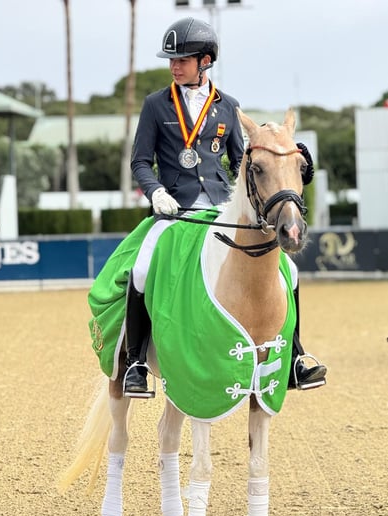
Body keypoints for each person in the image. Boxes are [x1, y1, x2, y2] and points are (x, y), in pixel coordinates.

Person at [123, 16, 326, 397]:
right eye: (171, 60)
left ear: (205, 61)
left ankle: (296, 358)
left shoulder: (228, 107)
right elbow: (140, 162)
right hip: (175, 209)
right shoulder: (155, 105)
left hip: (221, 211)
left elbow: (241, 165)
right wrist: (156, 192)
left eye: (182, 59)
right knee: (143, 267)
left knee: (290, 271)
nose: (174, 66)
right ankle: (136, 362)